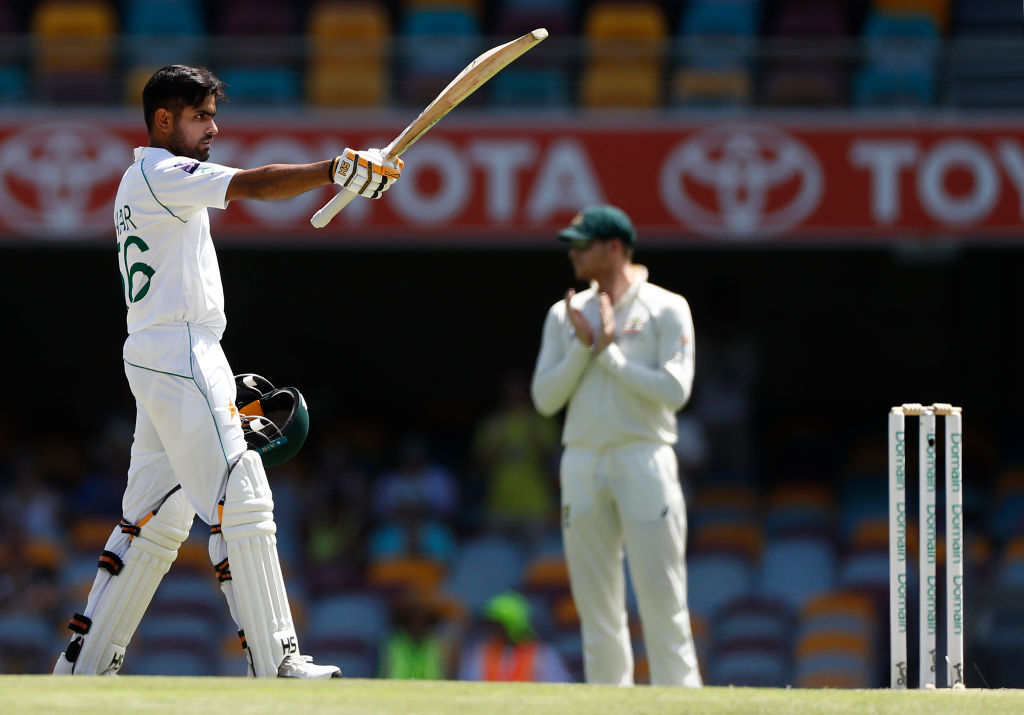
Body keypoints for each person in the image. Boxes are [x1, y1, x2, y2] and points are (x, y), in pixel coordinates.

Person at [53, 64, 402, 679]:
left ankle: (81, 674)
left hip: (160, 351)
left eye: (213, 114)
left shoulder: (144, 178)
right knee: (241, 495)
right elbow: (256, 184)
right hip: (182, 350)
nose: (214, 127)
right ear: (164, 121)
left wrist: (342, 172)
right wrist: (335, 170)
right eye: (200, 116)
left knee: (152, 523)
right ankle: (278, 661)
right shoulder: (161, 170)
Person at [530, 205, 702, 687]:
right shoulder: (565, 314)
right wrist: (586, 347)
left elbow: (675, 390)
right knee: (596, 609)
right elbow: (545, 400)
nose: (573, 253)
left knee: (663, 604)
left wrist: (607, 352)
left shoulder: (667, 307)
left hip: (644, 455)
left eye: (583, 244)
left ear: (615, 248)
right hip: (582, 459)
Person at [457, 591, 570, 683]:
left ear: (514, 626)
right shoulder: (479, 653)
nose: (492, 630)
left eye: (498, 625)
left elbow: (558, 690)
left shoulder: (542, 655)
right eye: (490, 625)